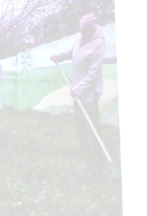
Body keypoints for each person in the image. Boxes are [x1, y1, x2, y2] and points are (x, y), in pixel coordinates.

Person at [52, 14, 108, 156]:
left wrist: (78, 89)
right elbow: (73, 52)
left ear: (92, 29)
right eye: (81, 31)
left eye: (85, 31)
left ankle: (99, 153)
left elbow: (94, 72)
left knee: (92, 122)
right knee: (80, 121)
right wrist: (60, 56)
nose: (82, 34)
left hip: (90, 89)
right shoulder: (79, 37)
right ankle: (86, 151)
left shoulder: (99, 43)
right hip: (77, 87)